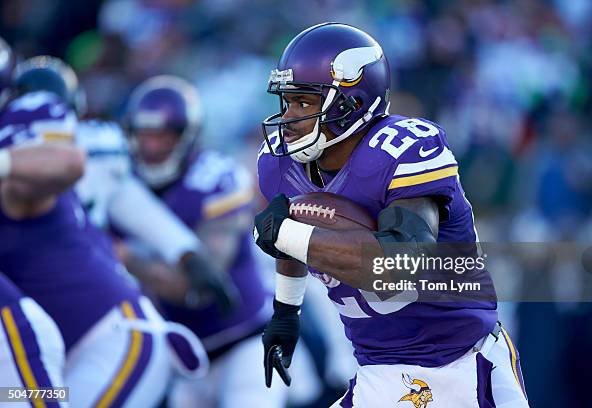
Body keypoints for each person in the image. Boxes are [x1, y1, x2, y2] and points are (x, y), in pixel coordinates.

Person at [254, 22, 529, 407]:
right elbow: (297, 234)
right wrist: (286, 311)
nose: (289, 117)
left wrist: (286, 234)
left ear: (351, 102)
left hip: (454, 367)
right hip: (375, 367)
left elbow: (401, 263)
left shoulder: (400, 150)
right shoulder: (281, 165)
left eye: (304, 103)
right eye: (286, 102)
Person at [1, 56, 206, 407]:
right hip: (54, 354)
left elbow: (69, 161)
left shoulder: (30, 126)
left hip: (113, 339)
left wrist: (186, 251)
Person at [124, 75, 286, 407]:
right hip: (181, 359)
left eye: (163, 137)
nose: (152, 148)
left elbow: (198, 287)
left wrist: (120, 254)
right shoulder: (120, 181)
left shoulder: (215, 180)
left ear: (186, 136)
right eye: (145, 136)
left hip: (244, 342)